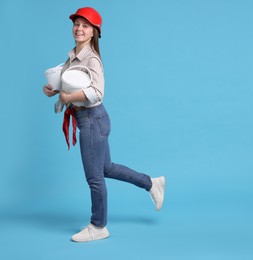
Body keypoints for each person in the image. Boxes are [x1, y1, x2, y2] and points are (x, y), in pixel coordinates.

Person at [42, 7, 166, 243]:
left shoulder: (92, 59)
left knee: (94, 177)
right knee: (106, 168)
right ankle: (151, 183)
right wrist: (53, 90)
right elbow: (68, 84)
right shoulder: (73, 55)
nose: (79, 28)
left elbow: (96, 92)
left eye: (85, 26)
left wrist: (68, 98)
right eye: (77, 24)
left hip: (92, 120)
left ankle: (98, 225)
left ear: (94, 32)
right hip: (92, 120)